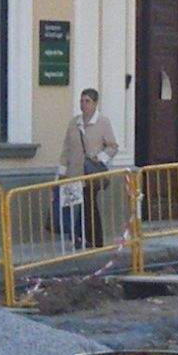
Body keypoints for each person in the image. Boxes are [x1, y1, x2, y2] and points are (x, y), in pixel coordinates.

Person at [57, 85, 119, 248]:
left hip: (92, 172)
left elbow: (112, 146)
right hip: (74, 171)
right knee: (78, 205)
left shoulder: (102, 122)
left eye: (87, 101)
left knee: (89, 204)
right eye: (81, 101)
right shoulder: (74, 123)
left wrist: (100, 158)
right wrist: (62, 170)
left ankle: (93, 239)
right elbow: (66, 147)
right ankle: (81, 237)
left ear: (95, 103)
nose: (83, 104)